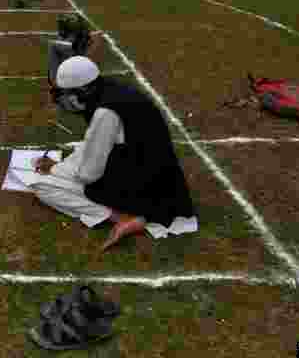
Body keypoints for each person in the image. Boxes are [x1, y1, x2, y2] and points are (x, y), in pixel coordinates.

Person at [32, 57, 197, 252]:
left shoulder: (105, 112)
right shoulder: (112, 90)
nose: (62, 101)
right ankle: (136, 214)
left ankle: (123, 218)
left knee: (42, 187)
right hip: (164, 181)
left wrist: (54, 169)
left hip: (140, 186)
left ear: (82, 91)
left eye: (64, 94)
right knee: (79, 155)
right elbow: (99, 144)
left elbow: (89, 174)